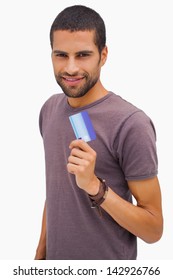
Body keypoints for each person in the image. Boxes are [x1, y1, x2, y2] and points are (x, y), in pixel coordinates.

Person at [34, 5, 163, 260]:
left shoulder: (131, 124)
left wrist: (94, 186)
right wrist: (40, 257)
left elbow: (153, 229)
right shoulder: (49, 110)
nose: (70, 68)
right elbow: (57, 192)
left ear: (103, 56)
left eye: (83, 55)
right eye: (61, 55)